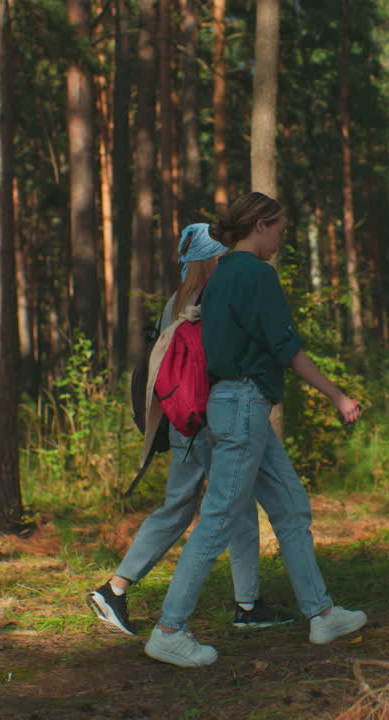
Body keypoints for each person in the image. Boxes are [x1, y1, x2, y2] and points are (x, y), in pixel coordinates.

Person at [144, 192, 367, 668]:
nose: (281, 241)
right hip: (244, 405)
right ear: (261, 225)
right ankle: (169, 629)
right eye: (280, 231)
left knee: (290, 505)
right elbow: (287, 348)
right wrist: (338, 396)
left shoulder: (219, 276)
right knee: (221, 516)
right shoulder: (257, 275)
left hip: (230, 405)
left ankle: (322, 613)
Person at [87, 223, 296, 635]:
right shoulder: (215, 296)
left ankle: (115, 588)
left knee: (178, 507)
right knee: (236, 508)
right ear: (213, 258)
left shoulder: (174, 302)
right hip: (212, 420)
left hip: (180, 421)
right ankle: (248, 605)